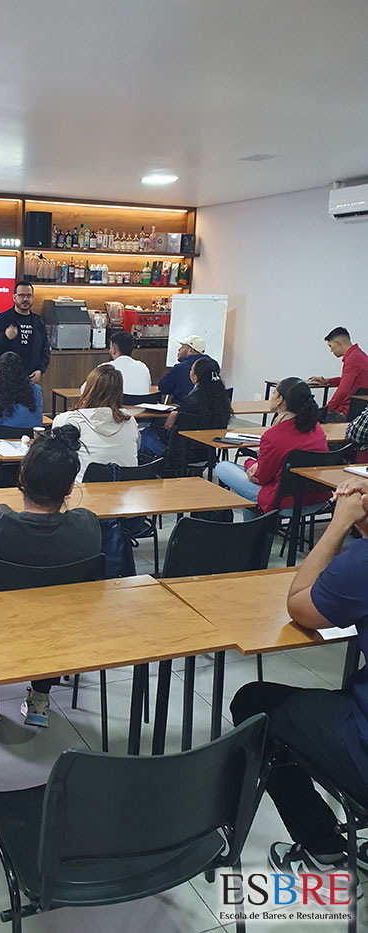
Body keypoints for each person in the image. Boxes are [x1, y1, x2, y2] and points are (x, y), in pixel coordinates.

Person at [230, 482, 368, 880]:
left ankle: (323, 848)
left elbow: (299, 605)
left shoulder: (361, 565)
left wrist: (340, 524)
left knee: (254, 703)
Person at [0, 424, 101, 727]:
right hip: (60, 627)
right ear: (70, 488)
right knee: (51, 606)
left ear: (21, 477)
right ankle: (40, 696)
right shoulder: (88, 526)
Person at [214, 377, 328, 518]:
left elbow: (259, 478)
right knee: (248, 489)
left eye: (274, 393)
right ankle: (255, 528)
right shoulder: (316, 427)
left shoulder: (274, 435)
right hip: (318, 498)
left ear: (280, 399)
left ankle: (254, 530)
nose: (271, 397)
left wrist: (250, 463)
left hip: (284, 501)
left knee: (222, 467)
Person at [52, 364, 139, 482]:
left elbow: (55, 459)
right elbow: (137, 448)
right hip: (127, 490)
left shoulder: (68, 420)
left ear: (88, 389)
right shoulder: (129, 420)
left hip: (83, 491)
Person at [140, 355, 232, 462]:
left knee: (145, 434)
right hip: (208, 455)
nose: (190, 372)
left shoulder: (190, 401)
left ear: (195, 378)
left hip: (179, 455)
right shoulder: (223, 402)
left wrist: (171, 416)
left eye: (191, 369)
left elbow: (172, 433)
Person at [0, 280, 51, 383]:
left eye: (29, 296)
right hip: (4, 380)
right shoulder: (1, 319)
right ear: (14, 297)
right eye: (21, 295)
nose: (25, 299)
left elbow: (45, 350)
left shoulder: (38, 322)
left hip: (30, 380)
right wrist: (5, 336)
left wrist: (40, 370)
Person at [309, 326, 368, 422]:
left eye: (330, 346)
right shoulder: (358, 355)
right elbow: (348, 381)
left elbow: (343, 390)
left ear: (338, 343)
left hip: (347, 412)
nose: (331, 351)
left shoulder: (353, 359)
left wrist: (328, 409)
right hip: (357, 409)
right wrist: (327, 381)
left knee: (309, 421)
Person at [80, 331, 152, 396]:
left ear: (114, 350)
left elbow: (84, 391)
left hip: (114, 407)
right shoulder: (143, 367)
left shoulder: (104, 368)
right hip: (141, 407)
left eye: (110, 348)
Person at [158, 334, 206, 404]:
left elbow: (162, 387)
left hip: (183, 408)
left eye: (182, 347)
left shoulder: (181, 368)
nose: (179, 349)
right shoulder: (212, 366)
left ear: (190, 351)